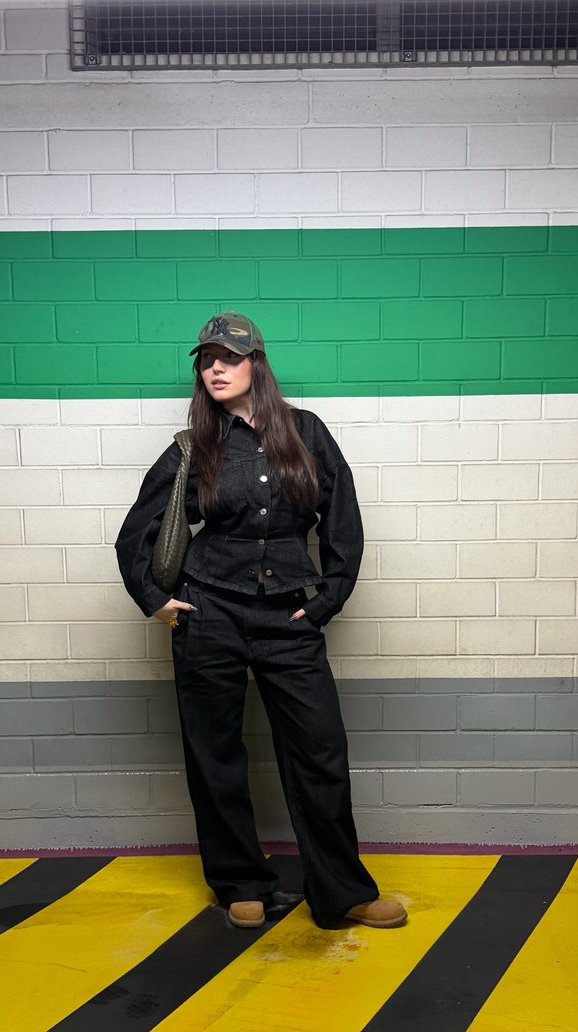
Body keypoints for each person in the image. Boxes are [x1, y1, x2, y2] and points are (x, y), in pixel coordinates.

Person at [115, 312, 407, 931]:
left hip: (288, 616)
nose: (215, 368)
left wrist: (326, 600)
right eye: (206, 360)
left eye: (229, 357)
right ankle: (240, 883)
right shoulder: (194, 446)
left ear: (256, 363)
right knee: (215, 755)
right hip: (209, 612)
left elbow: (343, 522)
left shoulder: (307, 432)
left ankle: (342, 892)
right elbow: (137, 528)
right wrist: (155, 600)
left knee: (320, 752)